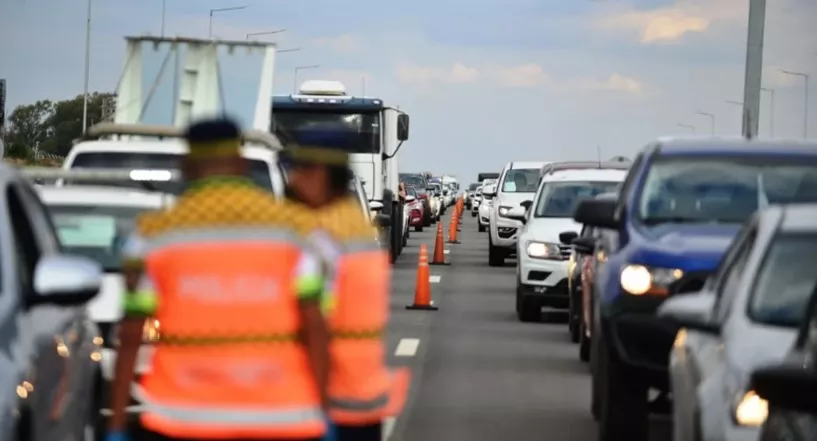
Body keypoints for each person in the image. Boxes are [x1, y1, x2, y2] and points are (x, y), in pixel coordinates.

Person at [106, 117, 331, 441]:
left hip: (182, 421)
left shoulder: (153, 237)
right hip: (278, 418)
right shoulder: (294, 232)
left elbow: (130, 335)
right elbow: (315, 328)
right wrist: (323, 411)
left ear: (186, 164)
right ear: (240, 164)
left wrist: (115, 425)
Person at [279, 126, 411, 441]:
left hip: (323, 397)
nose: (293, 180)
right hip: (363, 397)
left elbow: (315, 324)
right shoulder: (358, 229)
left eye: (301, 170)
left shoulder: (317, 235)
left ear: (323, 174)